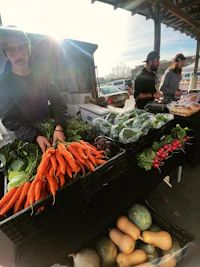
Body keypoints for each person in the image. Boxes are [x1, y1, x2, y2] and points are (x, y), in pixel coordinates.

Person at [0, 26, 68, 153]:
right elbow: (9, 118)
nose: (19, 55)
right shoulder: (3, 83)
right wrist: (35, 136)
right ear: (6, 54)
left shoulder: (42, 75)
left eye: (21, 48)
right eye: (11, 50)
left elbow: (58, 101)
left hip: (52, 131)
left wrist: (59, 127)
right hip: (26, 138)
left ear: (28, 48)